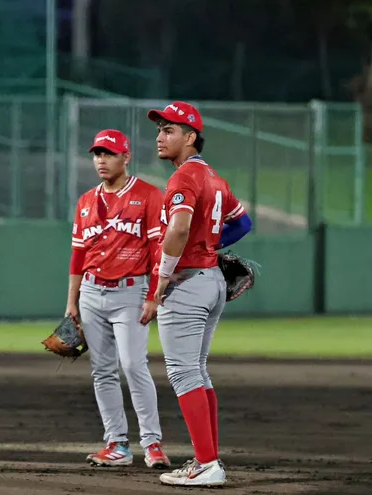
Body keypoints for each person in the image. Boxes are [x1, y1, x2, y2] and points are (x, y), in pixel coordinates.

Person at [147, 102, 253, 487]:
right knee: (197, 370)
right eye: (159, 130)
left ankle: (208, 464)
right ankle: (206, 459)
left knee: (182, 371)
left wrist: (162, 275)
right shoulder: (215, 178)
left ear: (190, 137)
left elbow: (177, 230)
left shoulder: (184, 178)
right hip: (211, 280)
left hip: (187, 283)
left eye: (169, 130)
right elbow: (243, 222)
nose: (160, 137)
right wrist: (210, 244)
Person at [66, 129, 171, 469]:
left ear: (126, 157)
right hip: (91, 294)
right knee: (102, 370)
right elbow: (78, 255)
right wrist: (72, 301)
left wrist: (155, 294)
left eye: (109, 154)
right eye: (97, 153)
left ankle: (152, 443)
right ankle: (117, 444)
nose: (101, 159)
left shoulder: (148, 195)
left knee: (132, 365)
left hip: (131, 292)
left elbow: (159, 248)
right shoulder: (85, 202)